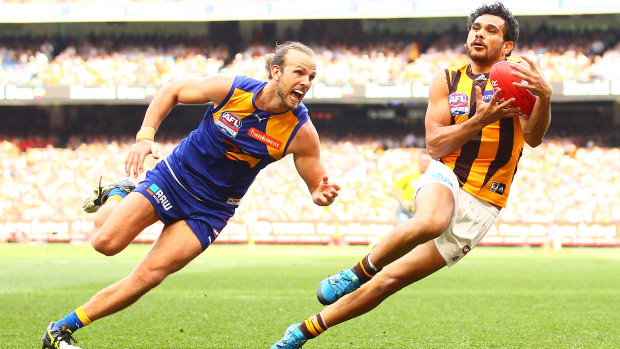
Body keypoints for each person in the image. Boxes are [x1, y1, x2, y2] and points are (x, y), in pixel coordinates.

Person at [272, 3, 552, 348]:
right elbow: (434, 145)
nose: (479, 33)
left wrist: (545, 97)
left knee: (391, 280)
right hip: (447, 174)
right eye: (476, 27)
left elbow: (535, 138)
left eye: (491, 30)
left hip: (484, 201)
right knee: (432, 220)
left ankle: (302, 331)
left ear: (507, 46)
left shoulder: (518, 81)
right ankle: (354, 273)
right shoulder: (447, 80)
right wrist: (479, 120)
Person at [41, 41, 341, 349]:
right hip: (173, 179)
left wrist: (321, 194)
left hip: (211, 210)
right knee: (105, 243)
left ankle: (60, 329)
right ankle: (119, 192)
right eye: (299, 72)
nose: (305, 82)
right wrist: (145, 138)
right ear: (276, 72)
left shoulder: (300, 131)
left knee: (149, 276)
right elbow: (172, 91)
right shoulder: (232, 90)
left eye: (312, 77)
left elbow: (316, 182)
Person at [389, 150, 432, 225]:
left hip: (421, 214)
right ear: (418, 161)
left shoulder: (432, 178)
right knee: (404, 232)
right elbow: (392, 191)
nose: (425, 164)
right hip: (405, 211)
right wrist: (403, 202)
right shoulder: (409, 174)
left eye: (427, 161)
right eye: (423, 161)